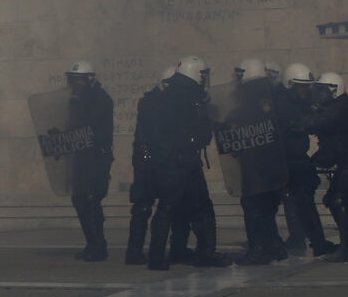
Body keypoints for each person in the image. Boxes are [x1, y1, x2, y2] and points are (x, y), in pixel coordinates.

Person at [145, 64, 226, 271]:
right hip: (185, 160)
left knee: (166, 207)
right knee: (202, 207)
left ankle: (156, 256)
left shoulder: (166, 96)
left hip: (169, 161)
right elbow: (202, 131)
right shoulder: (191, 98)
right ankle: (206, 252)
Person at [220, 58, 289, 266]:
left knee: (252, 205)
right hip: (270, 162)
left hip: (255, 162)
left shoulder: (251, 95)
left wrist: (227, 123)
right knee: (266, 207)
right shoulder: (272, 94)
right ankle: (275, 245)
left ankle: (258, 248)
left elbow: (245, 121)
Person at [302, 72, 348, 262]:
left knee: (338, 199)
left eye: (322, 90)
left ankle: (347, 246)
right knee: (335, 198)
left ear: (334, 91)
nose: (318, 94)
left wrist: (295, 120)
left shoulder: (340, 107)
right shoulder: (337, 106)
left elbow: (314, 123)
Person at [278, 64, 337, 258]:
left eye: (307, 87)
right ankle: (311, 241)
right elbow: (299, 125)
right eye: (301, 87)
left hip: (296, 160)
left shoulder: (297, 104)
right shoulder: (284, 106)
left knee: (302, 202)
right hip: (287, 161)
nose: (306, 91)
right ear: (290, 85)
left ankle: (306, 240)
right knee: (298, 202)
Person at [63, 61, 114, 262]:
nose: (74, 84)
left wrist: (78, 102)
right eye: (72, 80)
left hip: (97, 157)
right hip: (82, 156)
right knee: (80, 199)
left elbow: (88, 123)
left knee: (91, 199)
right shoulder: (77, 99)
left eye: (78, 80)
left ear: (90, 79)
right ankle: (92, 243)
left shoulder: (101, 99)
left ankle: (98, 246)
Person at [123, 69, 171, 266]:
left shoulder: (152, 101)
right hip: (150, 161)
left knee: (145, 207)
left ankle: (137, 251)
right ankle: (138, 252)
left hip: (150, 161)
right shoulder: (154, 103)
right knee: (144, 207)